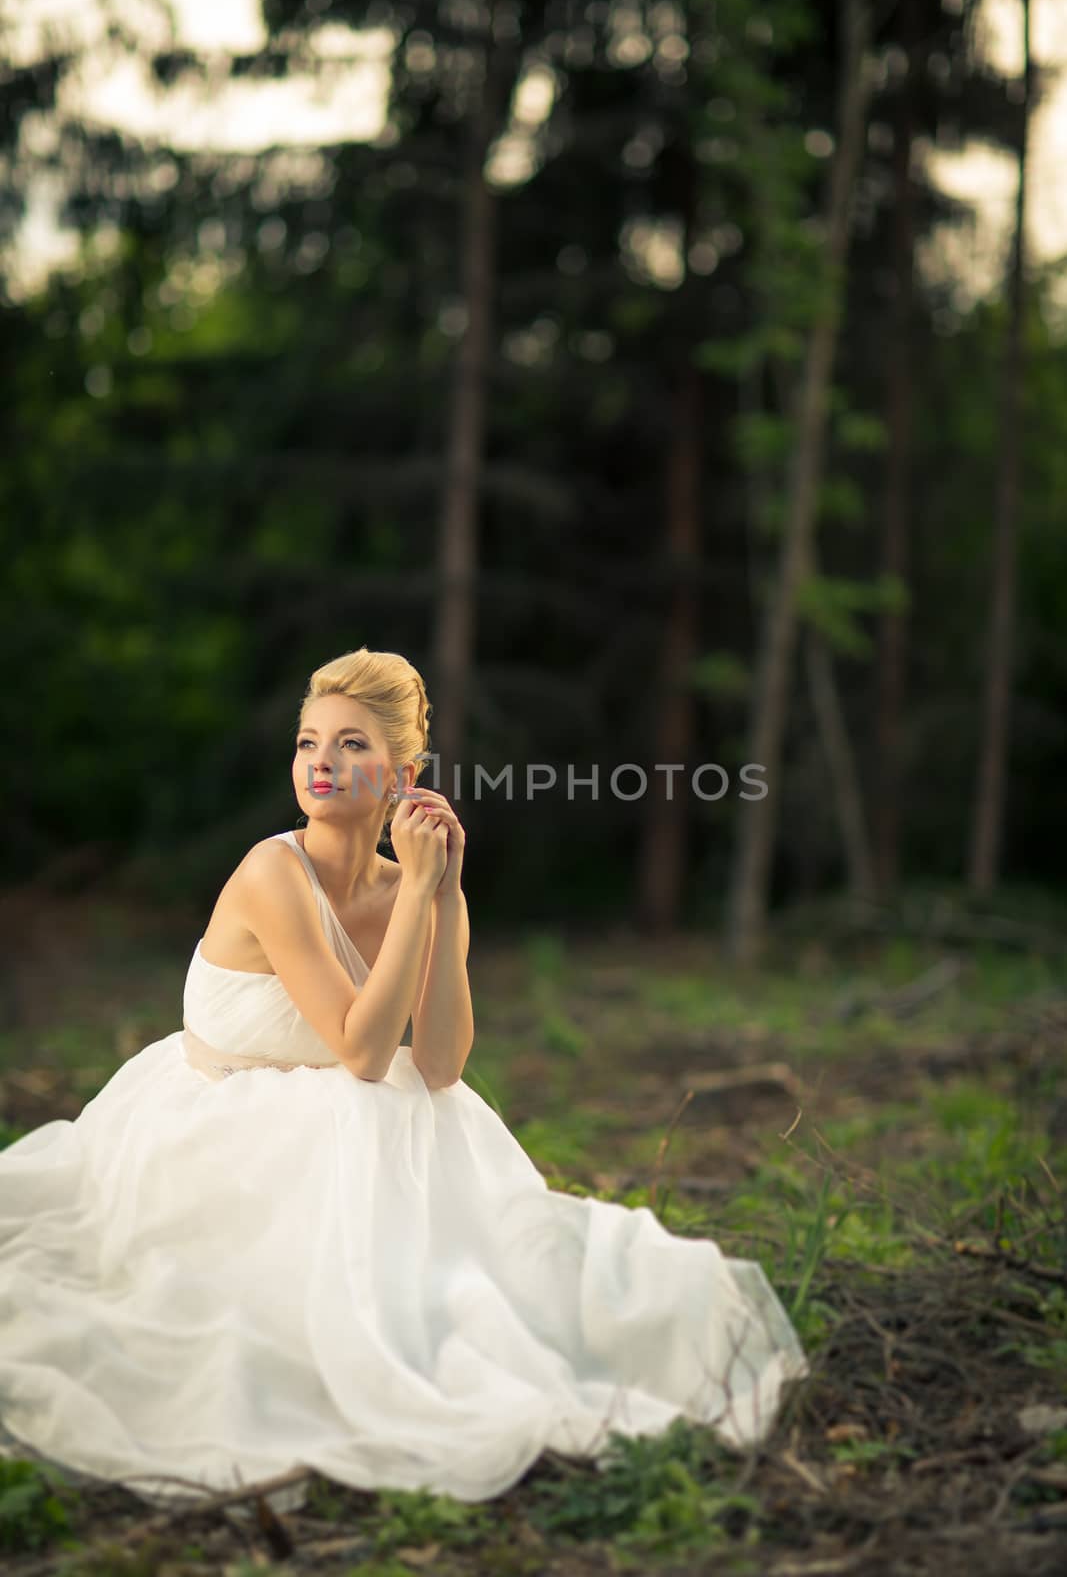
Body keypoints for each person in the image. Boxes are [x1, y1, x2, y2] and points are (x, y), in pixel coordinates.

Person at [0, 645, 807, 1511]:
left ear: (403, 773)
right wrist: (419, 899)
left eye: (351, 745)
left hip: (350, 1125)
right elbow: (358, 1046)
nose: (322, 763)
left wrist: (441, 893)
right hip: (222, 1131)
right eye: (310, 742)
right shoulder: (272, 872)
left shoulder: (406, 885)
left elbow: (439, 1061)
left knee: (479, 1291)